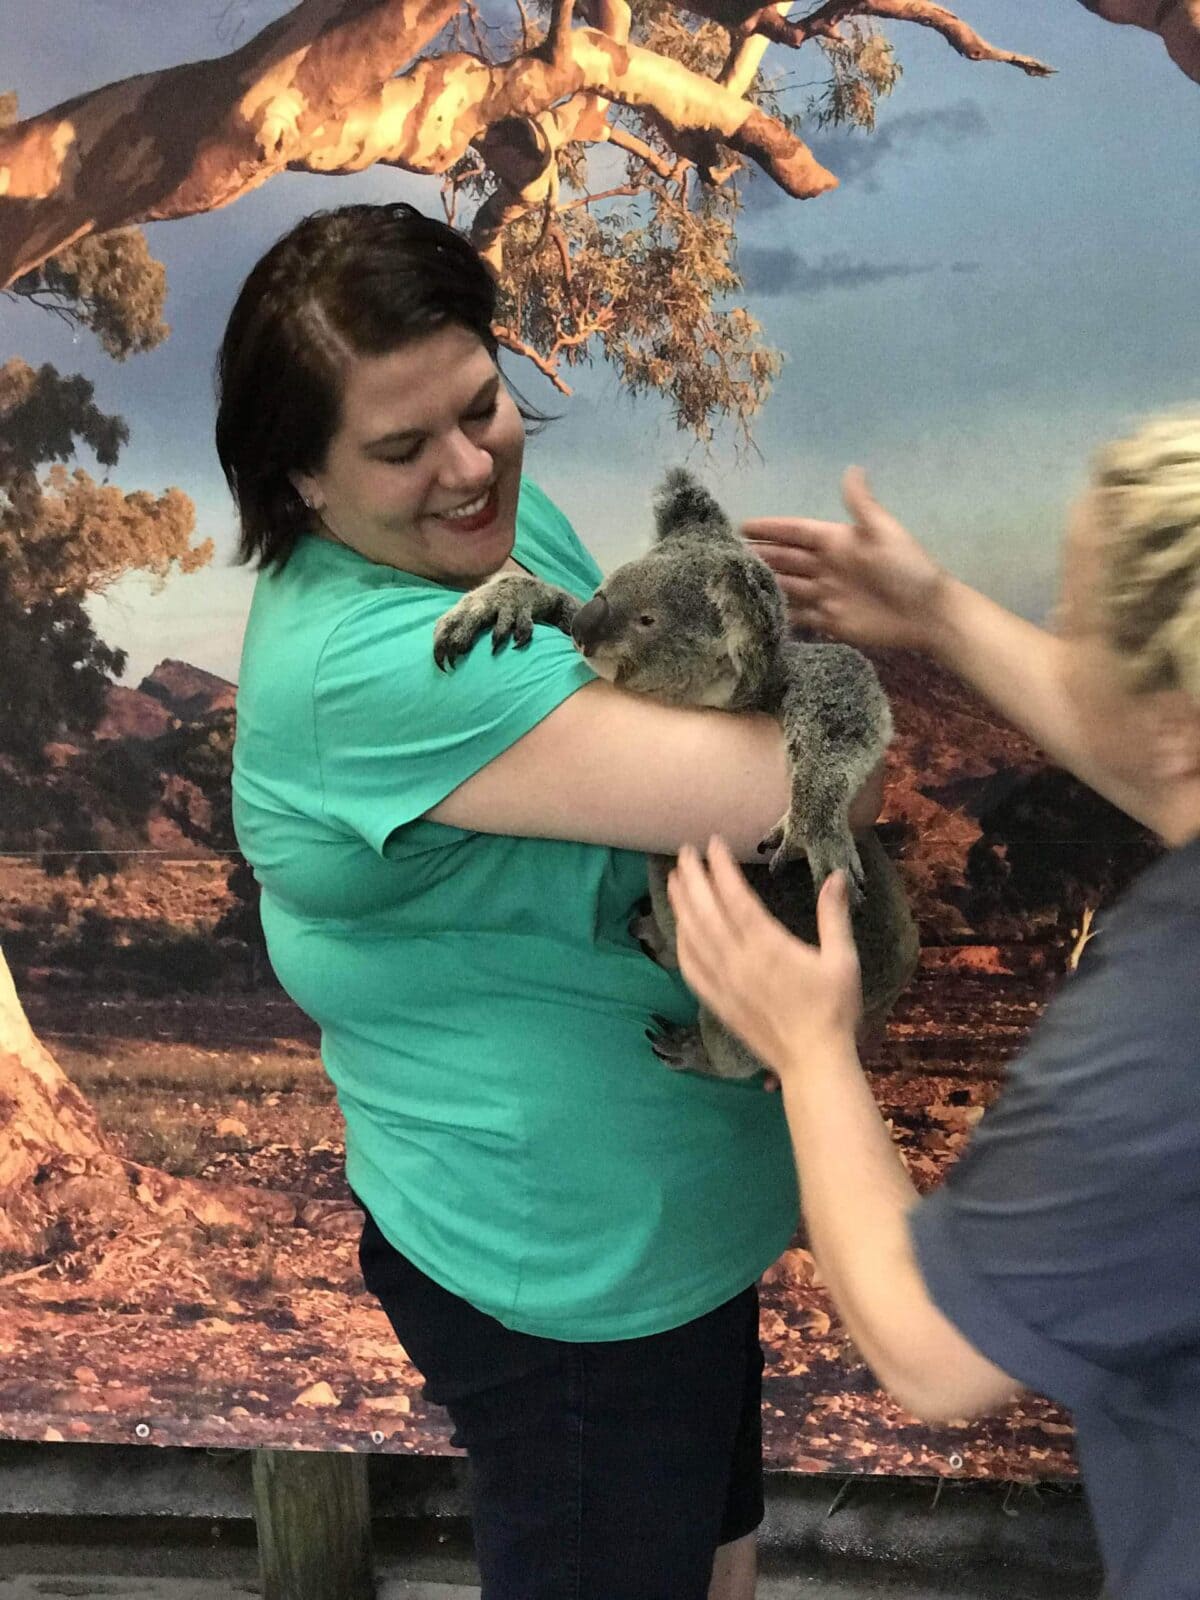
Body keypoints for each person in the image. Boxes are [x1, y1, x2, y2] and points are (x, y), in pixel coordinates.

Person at [216, 202, 881, 1600]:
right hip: (576, 1275)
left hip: (666, 1217)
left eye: (484, 406)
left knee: (717, 1566)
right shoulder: (381, 658)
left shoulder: (486, 544)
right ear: (300, 484)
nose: (470, 467)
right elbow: (803, 783)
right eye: (402, 449)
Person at [666, 416, 1200, 1600]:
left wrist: (810, 1050)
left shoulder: (1172, 1015)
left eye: (1081, 625)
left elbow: (931, 1348)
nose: (1060, 644)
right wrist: (942, 611)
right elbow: (1160, 748)